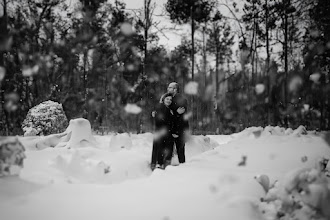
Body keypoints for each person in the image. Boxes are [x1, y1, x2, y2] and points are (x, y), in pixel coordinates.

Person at [150, 93, 175, 171]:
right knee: (160, 148)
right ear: (163, 99)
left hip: (163, 132)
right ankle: (159, 165)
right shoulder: (162, 107)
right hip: (161, 132)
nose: (169, 101)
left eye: (170, 100)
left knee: (161, 148)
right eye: (167, 99)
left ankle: (158, 164)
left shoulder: (167, 109)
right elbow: (160, 120)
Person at [166, 82, 189, 164]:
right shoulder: (170, 98)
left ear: (175, 89)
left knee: (180, 151)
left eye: (170, 87)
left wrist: (176, 131)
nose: (168, 89)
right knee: (173, 150)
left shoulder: (180, 100)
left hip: (178, 130)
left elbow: (181, 117)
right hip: (173, 129)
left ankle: (181, 169)